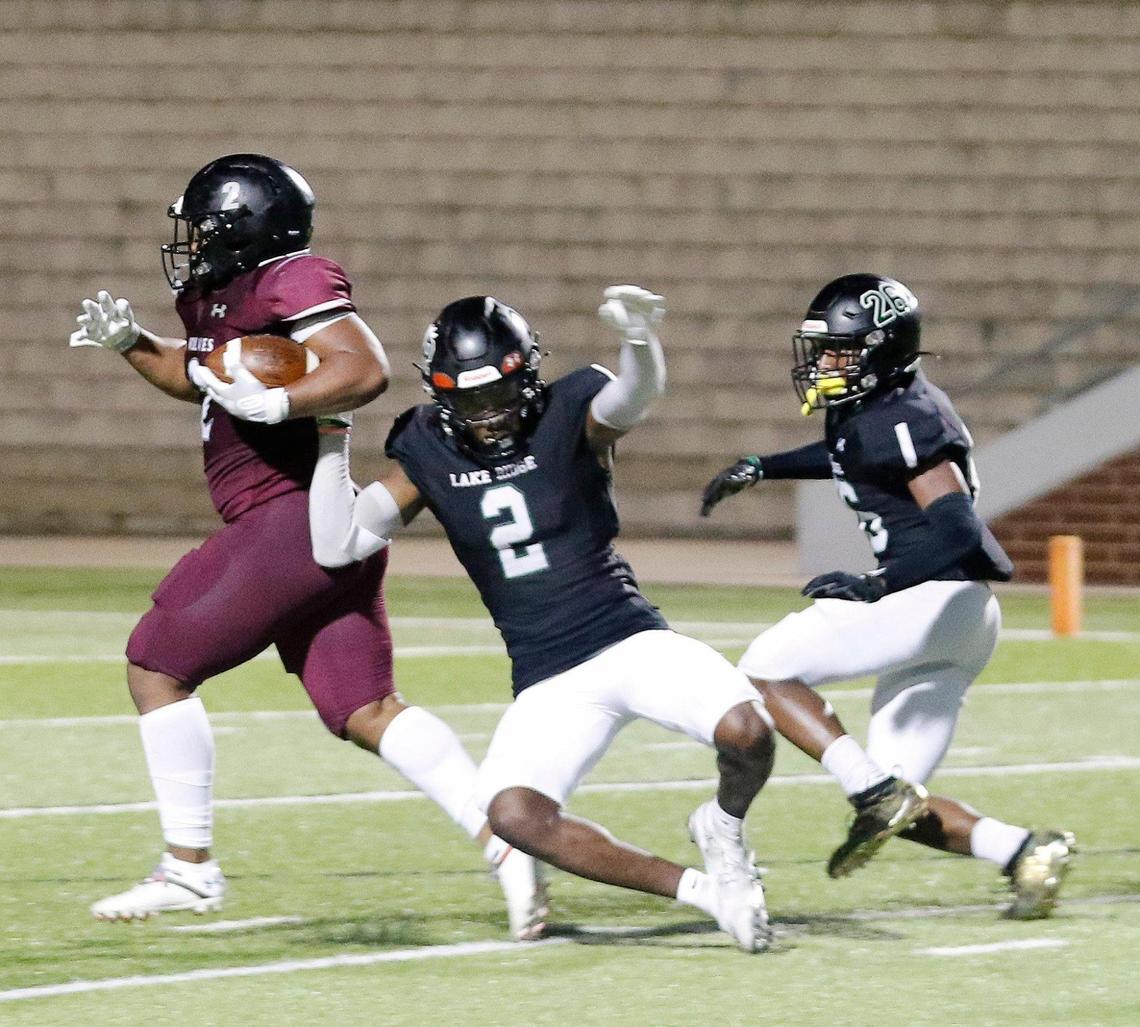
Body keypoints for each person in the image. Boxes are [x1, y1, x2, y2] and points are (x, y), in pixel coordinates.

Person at [68, 153, 543, 938]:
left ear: (245, 230)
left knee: (157, 662)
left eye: (206, 228)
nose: (192, 245)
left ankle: (189, 869)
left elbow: (363, 369)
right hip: (323, 527)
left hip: (286, 518)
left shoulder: (290, 278)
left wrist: (282, 397)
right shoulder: (220, 297)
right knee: (364, 707)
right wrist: (132, 342)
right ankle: (509, 846)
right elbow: (199, 376)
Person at [308, 286, 779, 952]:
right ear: (443, 395)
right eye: (471, 399)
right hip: (548, 677)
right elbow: (338, 543)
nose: (491, 414)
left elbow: (633, 397)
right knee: (513, 814)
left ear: (529, 372)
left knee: (748, 731)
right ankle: (707, 891)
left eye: (500, 393)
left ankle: (723, 829)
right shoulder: (427, 448)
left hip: (629, 638)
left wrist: (639, 340)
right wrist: (332, 433)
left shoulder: (568, 409)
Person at [700, 273, 1076, 919]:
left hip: (927, 598)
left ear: (881, 348)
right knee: (899, 799)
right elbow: (849, 454)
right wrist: (765, 465)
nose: (823, 363)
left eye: (839, 350)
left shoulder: (907, 415)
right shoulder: (876, 408)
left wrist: (876, 583)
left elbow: (959, 529)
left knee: (764, 667)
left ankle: (869, 788)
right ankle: (1025, 852)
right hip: (958, 619)